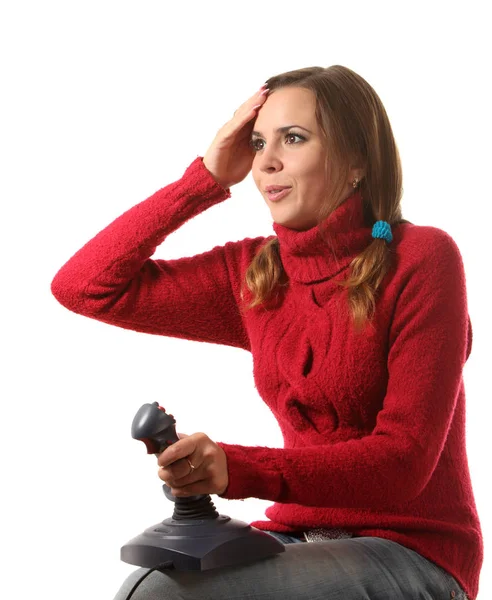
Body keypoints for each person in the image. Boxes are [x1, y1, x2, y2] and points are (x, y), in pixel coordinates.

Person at [50, 65, 483, 599]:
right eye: (257, 143)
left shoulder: (421, 259)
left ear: (356, 162)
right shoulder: (255, 274)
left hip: (411, 554)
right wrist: (202, 181)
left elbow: (404, 461)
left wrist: (237, 468)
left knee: (161, 596)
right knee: (153, 584)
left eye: (293, 139)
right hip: (294, 540)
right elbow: (85, 287)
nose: (267, 162)